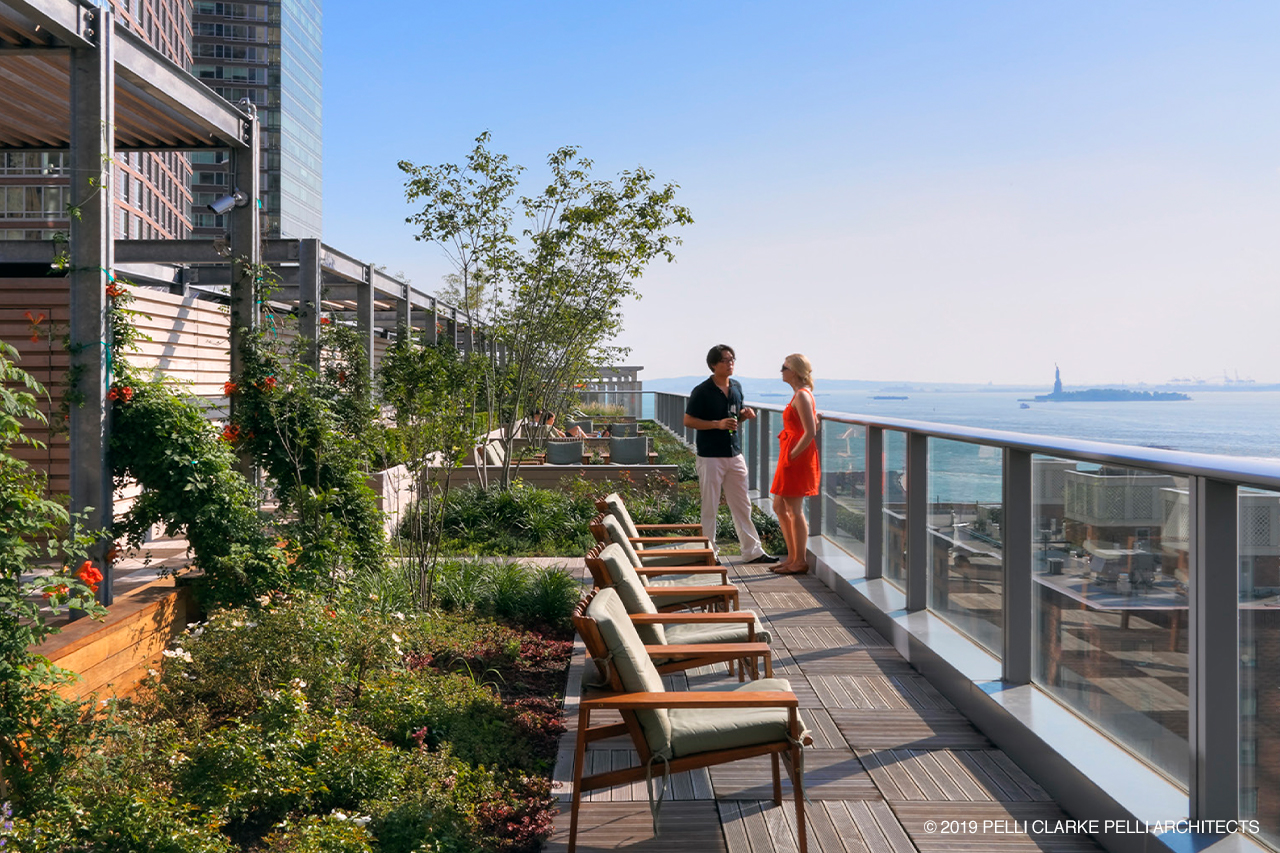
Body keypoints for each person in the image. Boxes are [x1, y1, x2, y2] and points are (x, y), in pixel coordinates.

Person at [683, 344, 778, 564]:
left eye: (732, 359)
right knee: (710, 506)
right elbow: (688, 421)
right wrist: (716, 424)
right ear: (713, 365)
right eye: (725, 360)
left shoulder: (736, 387)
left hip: (734, 453)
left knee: (743, 504)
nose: (730, 363)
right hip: (710, 456)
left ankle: (752, 551)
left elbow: (734, 417)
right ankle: (710, 553)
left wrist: (744, 415)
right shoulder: (702, 391)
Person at [769, 353, 821, 574]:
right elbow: (812, 424)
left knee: (794, 509)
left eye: (785, 367)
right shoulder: (800, 396)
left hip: (795, 458)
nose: (781, 370)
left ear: (796, 372)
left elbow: (810, 432)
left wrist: (792, 455)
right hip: (790, 455)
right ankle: (792, 558)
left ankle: (799, 560)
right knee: (779, 507)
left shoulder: (802, 396)